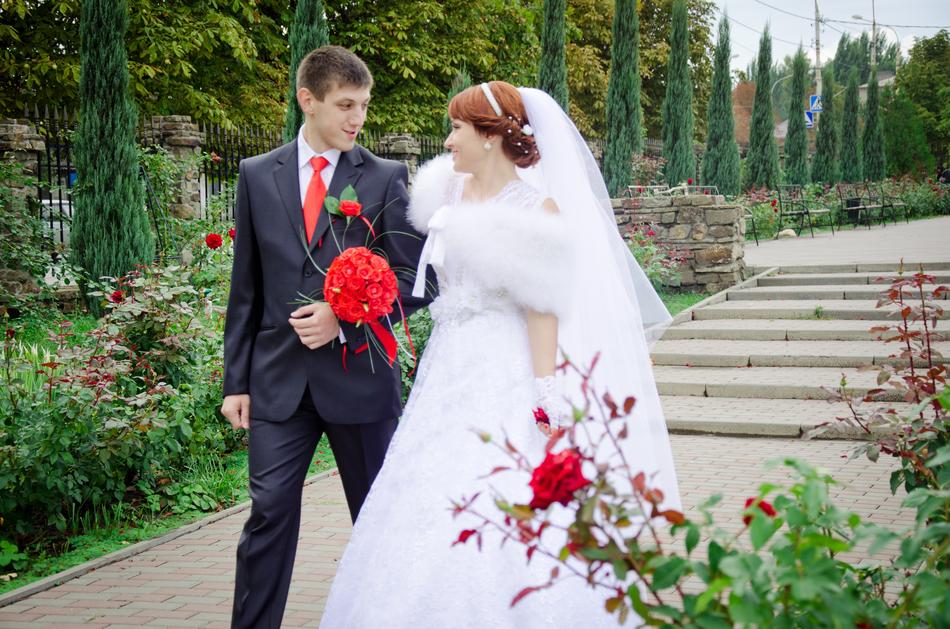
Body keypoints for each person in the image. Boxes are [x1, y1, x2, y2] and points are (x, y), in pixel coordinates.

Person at [318, 81, 680, 628]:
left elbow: (542, 308)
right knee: (427, 485)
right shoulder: (447, 196)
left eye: (457, 128)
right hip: (446, 366)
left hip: (502, 366)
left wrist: (545, 390)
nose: (448, 140)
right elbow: (420, 279)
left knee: (498, 482)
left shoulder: (537, 208)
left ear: (490, 136)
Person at [221, 46, 430, 629]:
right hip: (278, 382)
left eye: (363, 105)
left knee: (376, 518)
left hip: (359, 380)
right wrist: (235, 381)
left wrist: (345, 312)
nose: (357, 118)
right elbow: (247, 289)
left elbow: (418, 278)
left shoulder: (385, 177)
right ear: (307, 100)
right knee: (267, 514)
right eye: (345, 105)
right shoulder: (256, 174)